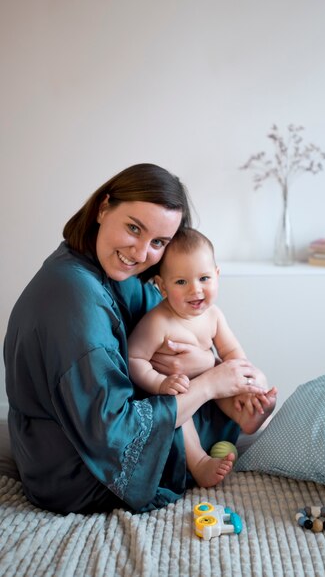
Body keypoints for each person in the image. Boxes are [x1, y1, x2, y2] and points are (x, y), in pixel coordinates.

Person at [4, 163, 274, 515]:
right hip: (75, 472)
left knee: (224, 390)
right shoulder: (74, 297)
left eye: (158, 242)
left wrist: (210, 365)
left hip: (93, 432)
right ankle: (220, 436)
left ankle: (241, 415)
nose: (140, 252)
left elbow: (181, 331)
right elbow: (111, 433)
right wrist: (208, 385)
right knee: (199, 396)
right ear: (103, 208)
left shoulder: (120, 274)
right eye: (134, 228)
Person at [128, 228, 277, 488]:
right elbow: (133, 359)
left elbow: (232, 355)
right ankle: (198, 462)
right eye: (181, 282)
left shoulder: (214, 316)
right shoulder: (157, 323)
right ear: (162, 286)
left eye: (204, 278)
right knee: (174, 405)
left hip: (209, 395)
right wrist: (159, 383)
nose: (195, 290)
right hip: (177, 394)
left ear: (217, 276)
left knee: (229, 382)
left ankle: (250, 415)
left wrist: (248, 385)